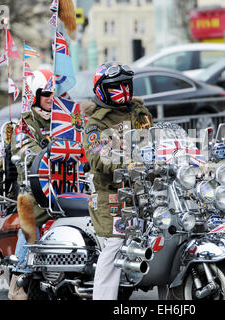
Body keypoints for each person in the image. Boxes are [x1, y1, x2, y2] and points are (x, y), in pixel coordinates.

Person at [82, 61, 153, 300]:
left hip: (146, 189)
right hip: (111, 195)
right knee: (113, 247)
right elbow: (98, 157)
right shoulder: (95, 122)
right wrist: (126, 162)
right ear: (102, 89)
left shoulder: (139, 112)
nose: (123, 89)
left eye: (125, 84)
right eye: (116, 85)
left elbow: (152, 141)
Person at [7, 69, 54, 300]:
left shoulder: (64, 120)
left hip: (66, 186)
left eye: (54, 93)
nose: (51, 97)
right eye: (46, 93)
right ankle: (19, 281)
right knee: (29, 218)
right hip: (33, 188)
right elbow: (28, 151)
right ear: (34, 95)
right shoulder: (24, 125)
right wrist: (52, 155)